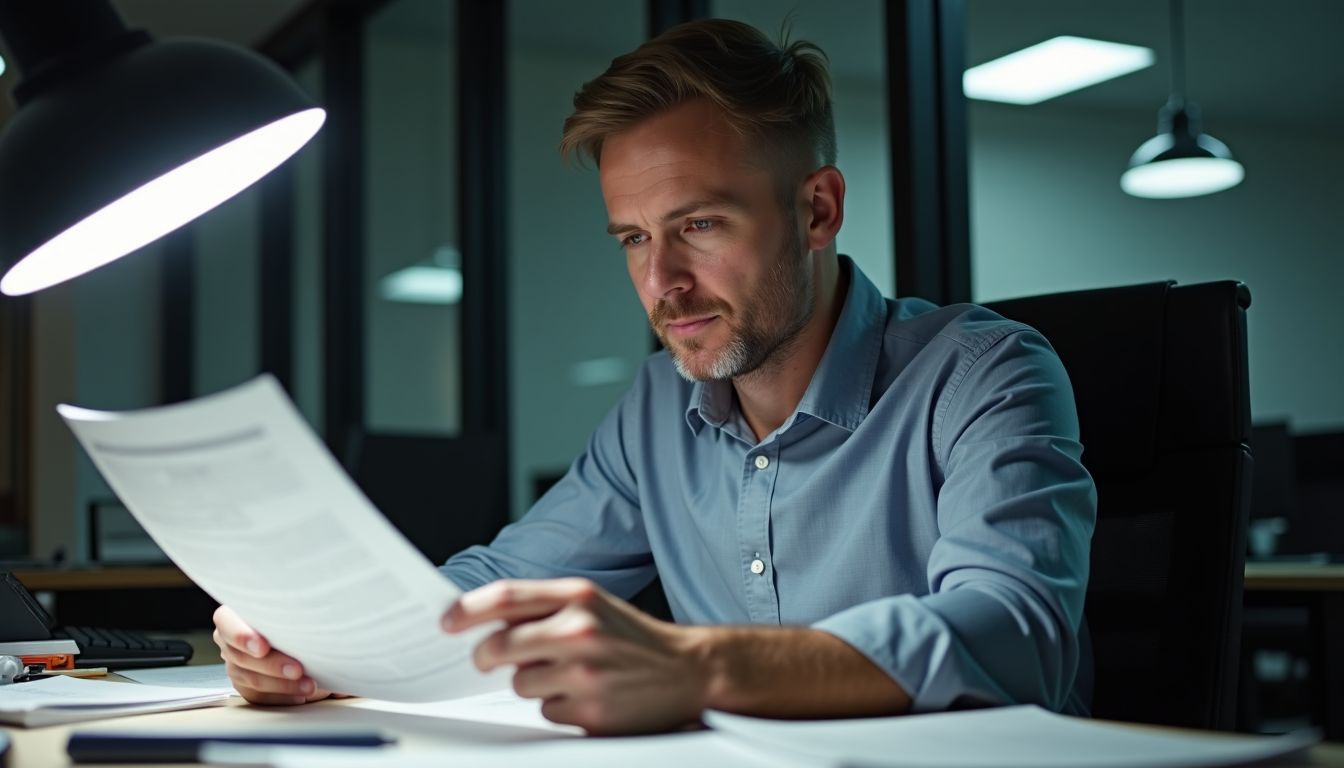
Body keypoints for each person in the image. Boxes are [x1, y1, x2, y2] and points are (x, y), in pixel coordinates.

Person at [214, 18, 1096, 735]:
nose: (660, 283)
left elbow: (1014, 633)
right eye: (634, 238)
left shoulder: (986, 373)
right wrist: (319, 639)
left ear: (817, 208)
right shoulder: (657, 410)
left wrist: (694, 664)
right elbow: (506, 575)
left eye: (700, 225)